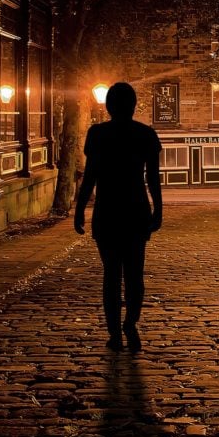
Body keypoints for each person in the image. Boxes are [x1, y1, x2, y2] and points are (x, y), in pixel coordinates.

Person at [74, 82, 163, 352]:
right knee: (135, 274)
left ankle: (114, 332)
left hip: (108, 210)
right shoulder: (145, 134)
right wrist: (158, 209)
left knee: (111, 275)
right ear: (134, 105)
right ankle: (130, 324)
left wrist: (79, 210)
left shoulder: (97, 134)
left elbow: (90, 176)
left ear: (109, 106)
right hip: (136, 209)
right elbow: (153, 178)